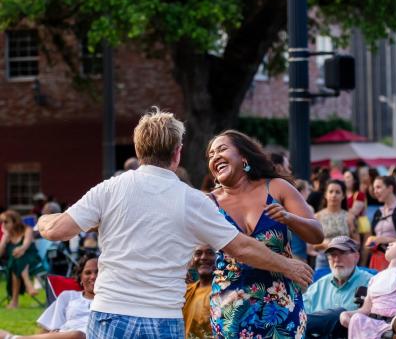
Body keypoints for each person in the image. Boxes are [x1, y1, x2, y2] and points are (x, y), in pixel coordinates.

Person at [37, 108, 314, 339]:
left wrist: (43, 220)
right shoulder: (193, 200)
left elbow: (57, 230)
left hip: (111, 312)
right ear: (177, 153)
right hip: (163, 317)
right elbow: (241, 247)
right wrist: (287, 265)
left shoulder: (109, 189)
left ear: (138, 147)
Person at [206, 130, 323, 338]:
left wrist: (289, 218)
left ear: (243, 156)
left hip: (281, 308)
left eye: (222, 149)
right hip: (229, 311)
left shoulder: (276, 188)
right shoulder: (208, 203)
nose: (215, 157)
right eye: (211, 155)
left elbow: (317, 235)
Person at [0, 254, 98, 339]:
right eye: (88, 273)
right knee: (76, 335)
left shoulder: (111, 301)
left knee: (79, 335)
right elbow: (47, 328)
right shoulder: (68, 296)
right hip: (66, 336)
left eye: (98, 272)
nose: (93, 276)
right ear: (81, 278)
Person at [304, 236, 374, 338]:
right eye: (332, 255)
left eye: (342, 254)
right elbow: (300, 312)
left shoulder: (371, 282)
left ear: (356, 256)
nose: (336, 259)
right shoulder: (318, 286)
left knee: (339, 314)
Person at [366, 176, 396, 271]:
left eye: (378, 187)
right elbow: (374, 240)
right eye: (374, 188)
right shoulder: (378, 212)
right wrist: (371, 244)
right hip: (376, 261)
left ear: (390, 188)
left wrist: (384, 239)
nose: (375, 191)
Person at [0, 210, 45, 309]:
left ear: (15, 221)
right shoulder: (7, 235)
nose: (3, 225)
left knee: (17, 259)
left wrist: (20, 249)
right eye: (1, 222)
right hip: (17, 263)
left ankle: (14, 301)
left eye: (6, 222)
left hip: (32, 259)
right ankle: (28, 284)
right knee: (16, 260)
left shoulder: (27, 229)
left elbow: (25, 245)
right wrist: (5, 236)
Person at [314, 179, 356, 270]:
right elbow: (311, 244)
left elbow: (357, 242)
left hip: (345, 257)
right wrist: (324, 244)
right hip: (323, 258)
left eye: (337, 192)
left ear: (343, 196)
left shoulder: (349, 217)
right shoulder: (317, 217)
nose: (334, 195)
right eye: (331, 192)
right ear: (325, 194)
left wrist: (343, 244)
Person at [183, 244, 216, 338]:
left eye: (210, 253)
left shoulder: (223, 292)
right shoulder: (185, 291)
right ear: (193, 260)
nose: (204, 257)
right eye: (198, 253)